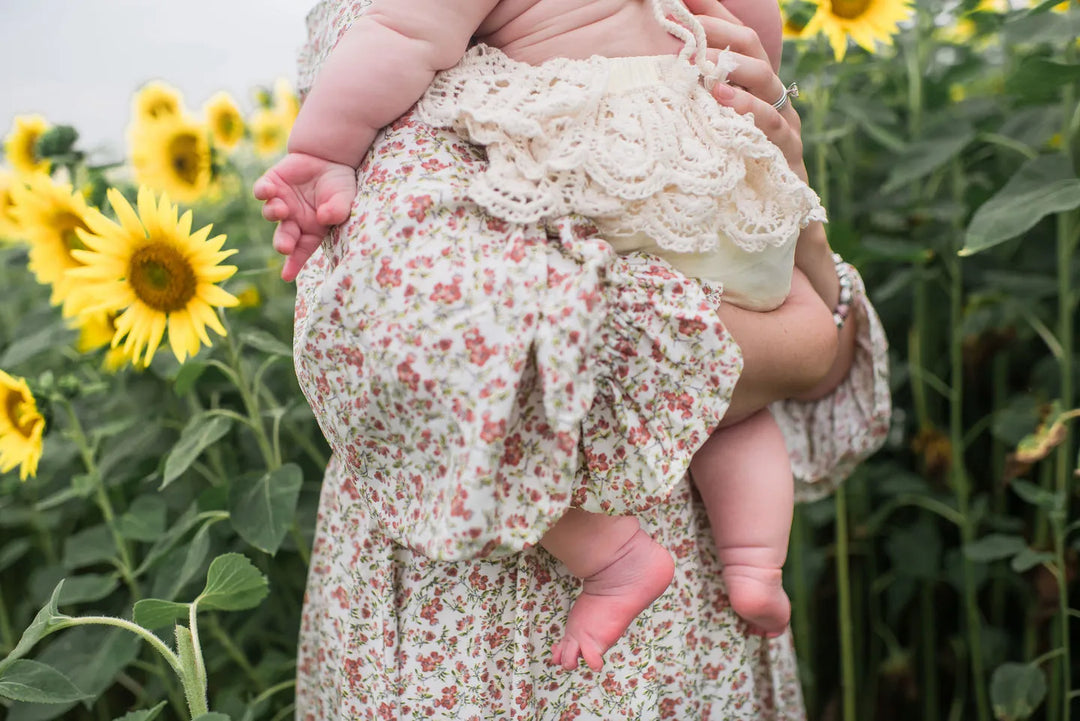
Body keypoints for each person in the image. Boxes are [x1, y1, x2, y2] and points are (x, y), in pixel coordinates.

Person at [268, 0, 891, 717]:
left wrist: (317, 154)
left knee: (508, 392)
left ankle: (612, 553)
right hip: (722, 211)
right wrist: (794, 250)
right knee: (729, 419)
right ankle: (755, 562)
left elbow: (450, 336)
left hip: (618, 193)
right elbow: (797, 347)